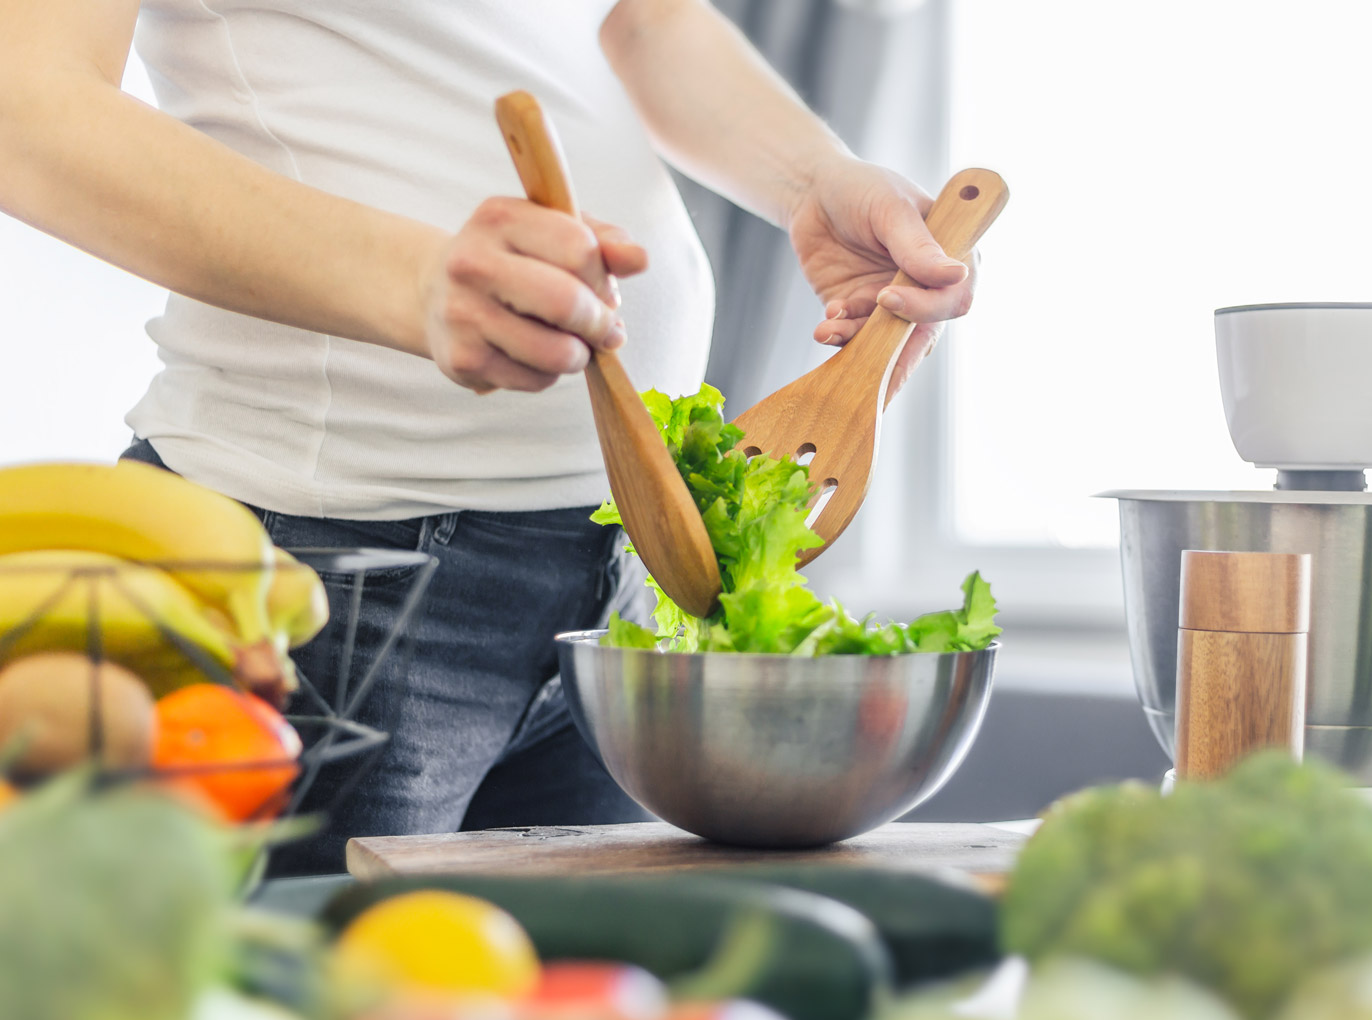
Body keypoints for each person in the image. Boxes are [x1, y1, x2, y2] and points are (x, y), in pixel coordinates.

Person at [0, 0, 977, 874]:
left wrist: (813, 180)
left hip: (624, 576)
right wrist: (412, 280)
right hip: (333, 581)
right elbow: (26, 110)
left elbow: (647, 19)